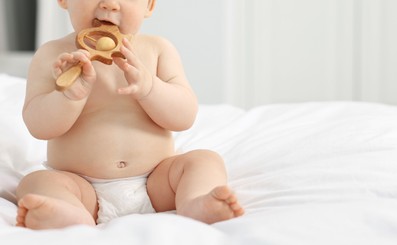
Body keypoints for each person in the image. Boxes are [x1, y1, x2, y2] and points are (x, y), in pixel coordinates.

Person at [16, 0, 244, 229]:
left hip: (157, 182)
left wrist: (150, 88)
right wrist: (68, 96)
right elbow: (39, 126)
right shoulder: (52, 56)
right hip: (82, 187)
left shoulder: (157, 50)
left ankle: (196, 202)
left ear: (150, 6)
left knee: (204, 160)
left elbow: (184, 117)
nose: (109, 4)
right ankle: (71, 215)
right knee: (36, 182)